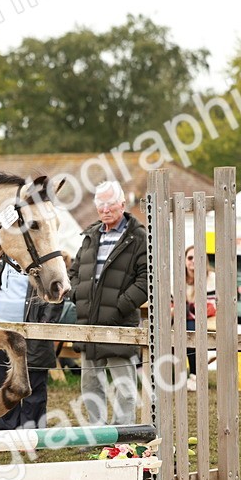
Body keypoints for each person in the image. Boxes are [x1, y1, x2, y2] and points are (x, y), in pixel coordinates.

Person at [67, 181, 147, 425]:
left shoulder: (137, 237)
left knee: (124, 386)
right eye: (100, 204)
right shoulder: (91, 236)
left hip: (119, 324)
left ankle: (123, 435)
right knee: (90, 384)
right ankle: (97, 433)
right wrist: (78, 295)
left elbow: (147, 280)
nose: (105, 209)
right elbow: (74, 272)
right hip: (89, 323)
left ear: (122, 204)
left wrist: (120, 306)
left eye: (110, 203)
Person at [0, 259, 76, 431]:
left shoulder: (43, 257)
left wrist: (43, 325)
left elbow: (58, 292)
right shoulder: (0, 259)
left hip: (34, 335)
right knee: (4, 387)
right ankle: (5, 433)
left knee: (33, 390)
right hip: (0, 332)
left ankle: (32, 435)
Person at [183, 244, 217, 391]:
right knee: (188, 327)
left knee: (190, 328)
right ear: (184, 260)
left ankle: (195, 375)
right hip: (183, 322)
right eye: (190, 258)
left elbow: (212, 307)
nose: (193, 261)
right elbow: (171, 306)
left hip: (210, 322)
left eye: (197, 258)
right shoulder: (178, 280)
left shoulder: (213, 278)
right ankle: (194, 375)